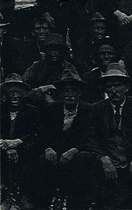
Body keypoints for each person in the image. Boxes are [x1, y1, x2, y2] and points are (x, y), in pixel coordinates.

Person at [74, 61, 132, 209]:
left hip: (131, 160)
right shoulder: (96, 108)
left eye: (117, 85)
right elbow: (89, 138)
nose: (113, 90)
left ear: (127, 87)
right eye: (109, 86)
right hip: (107, 161)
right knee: (83, 158)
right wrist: (103, 158)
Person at [36, 69, 91, 209]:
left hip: (77, 151)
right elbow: (42, 132)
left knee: (82, 161)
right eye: (66, 91)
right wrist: (48, 147)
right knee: (43, 160)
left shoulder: (89, 110)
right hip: (54, 151)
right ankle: (47, 202)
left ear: (80, 92)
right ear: (61, 93)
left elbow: (91, 135)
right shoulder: (51, 109)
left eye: (73, 90)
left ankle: (76, 203)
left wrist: (75, 150)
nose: (70, 94)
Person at [0, 73, 42, 208]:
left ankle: (23, 195)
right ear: (5, 93)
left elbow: (39, 134)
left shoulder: (32, 111)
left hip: (25, 152)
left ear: (24, 93)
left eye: (18, 91)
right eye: (11, 92)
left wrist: (18, 142)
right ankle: (5, 194)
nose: (15, 96)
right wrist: (6, 146)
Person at [22, 34, 77, 107]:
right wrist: (38, 90)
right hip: (39, 99)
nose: (52, 54)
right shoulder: (38, 65)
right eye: (49, 50)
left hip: (61, 100)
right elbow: (25, 80)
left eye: (56, 50)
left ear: (61, 52)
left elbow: (74, 85)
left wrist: (50, 87)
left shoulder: (68, 66)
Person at [82, 37, 119, 103]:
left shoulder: (123, 76)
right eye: (102, 53)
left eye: (110, 54)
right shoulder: (89, 77)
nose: (106, 57)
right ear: (96, 56)